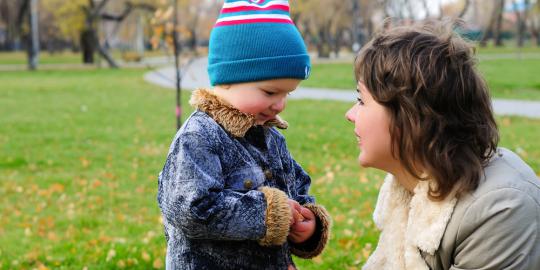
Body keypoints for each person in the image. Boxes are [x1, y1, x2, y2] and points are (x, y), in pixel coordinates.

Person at [345, 20, 540, 270]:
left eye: (361, 100)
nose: (350, 114)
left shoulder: (500, 209)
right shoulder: (411, 189)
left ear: (410, 114)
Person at [157, 0, 331, 269]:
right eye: (271, 92)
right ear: (228, 78)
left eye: (287, 94)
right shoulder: (199, 137)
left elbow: (296, 190)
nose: (280, 104)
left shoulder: (271, 139)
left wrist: (307, 222)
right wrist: (268, 213)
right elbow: (192, 211)